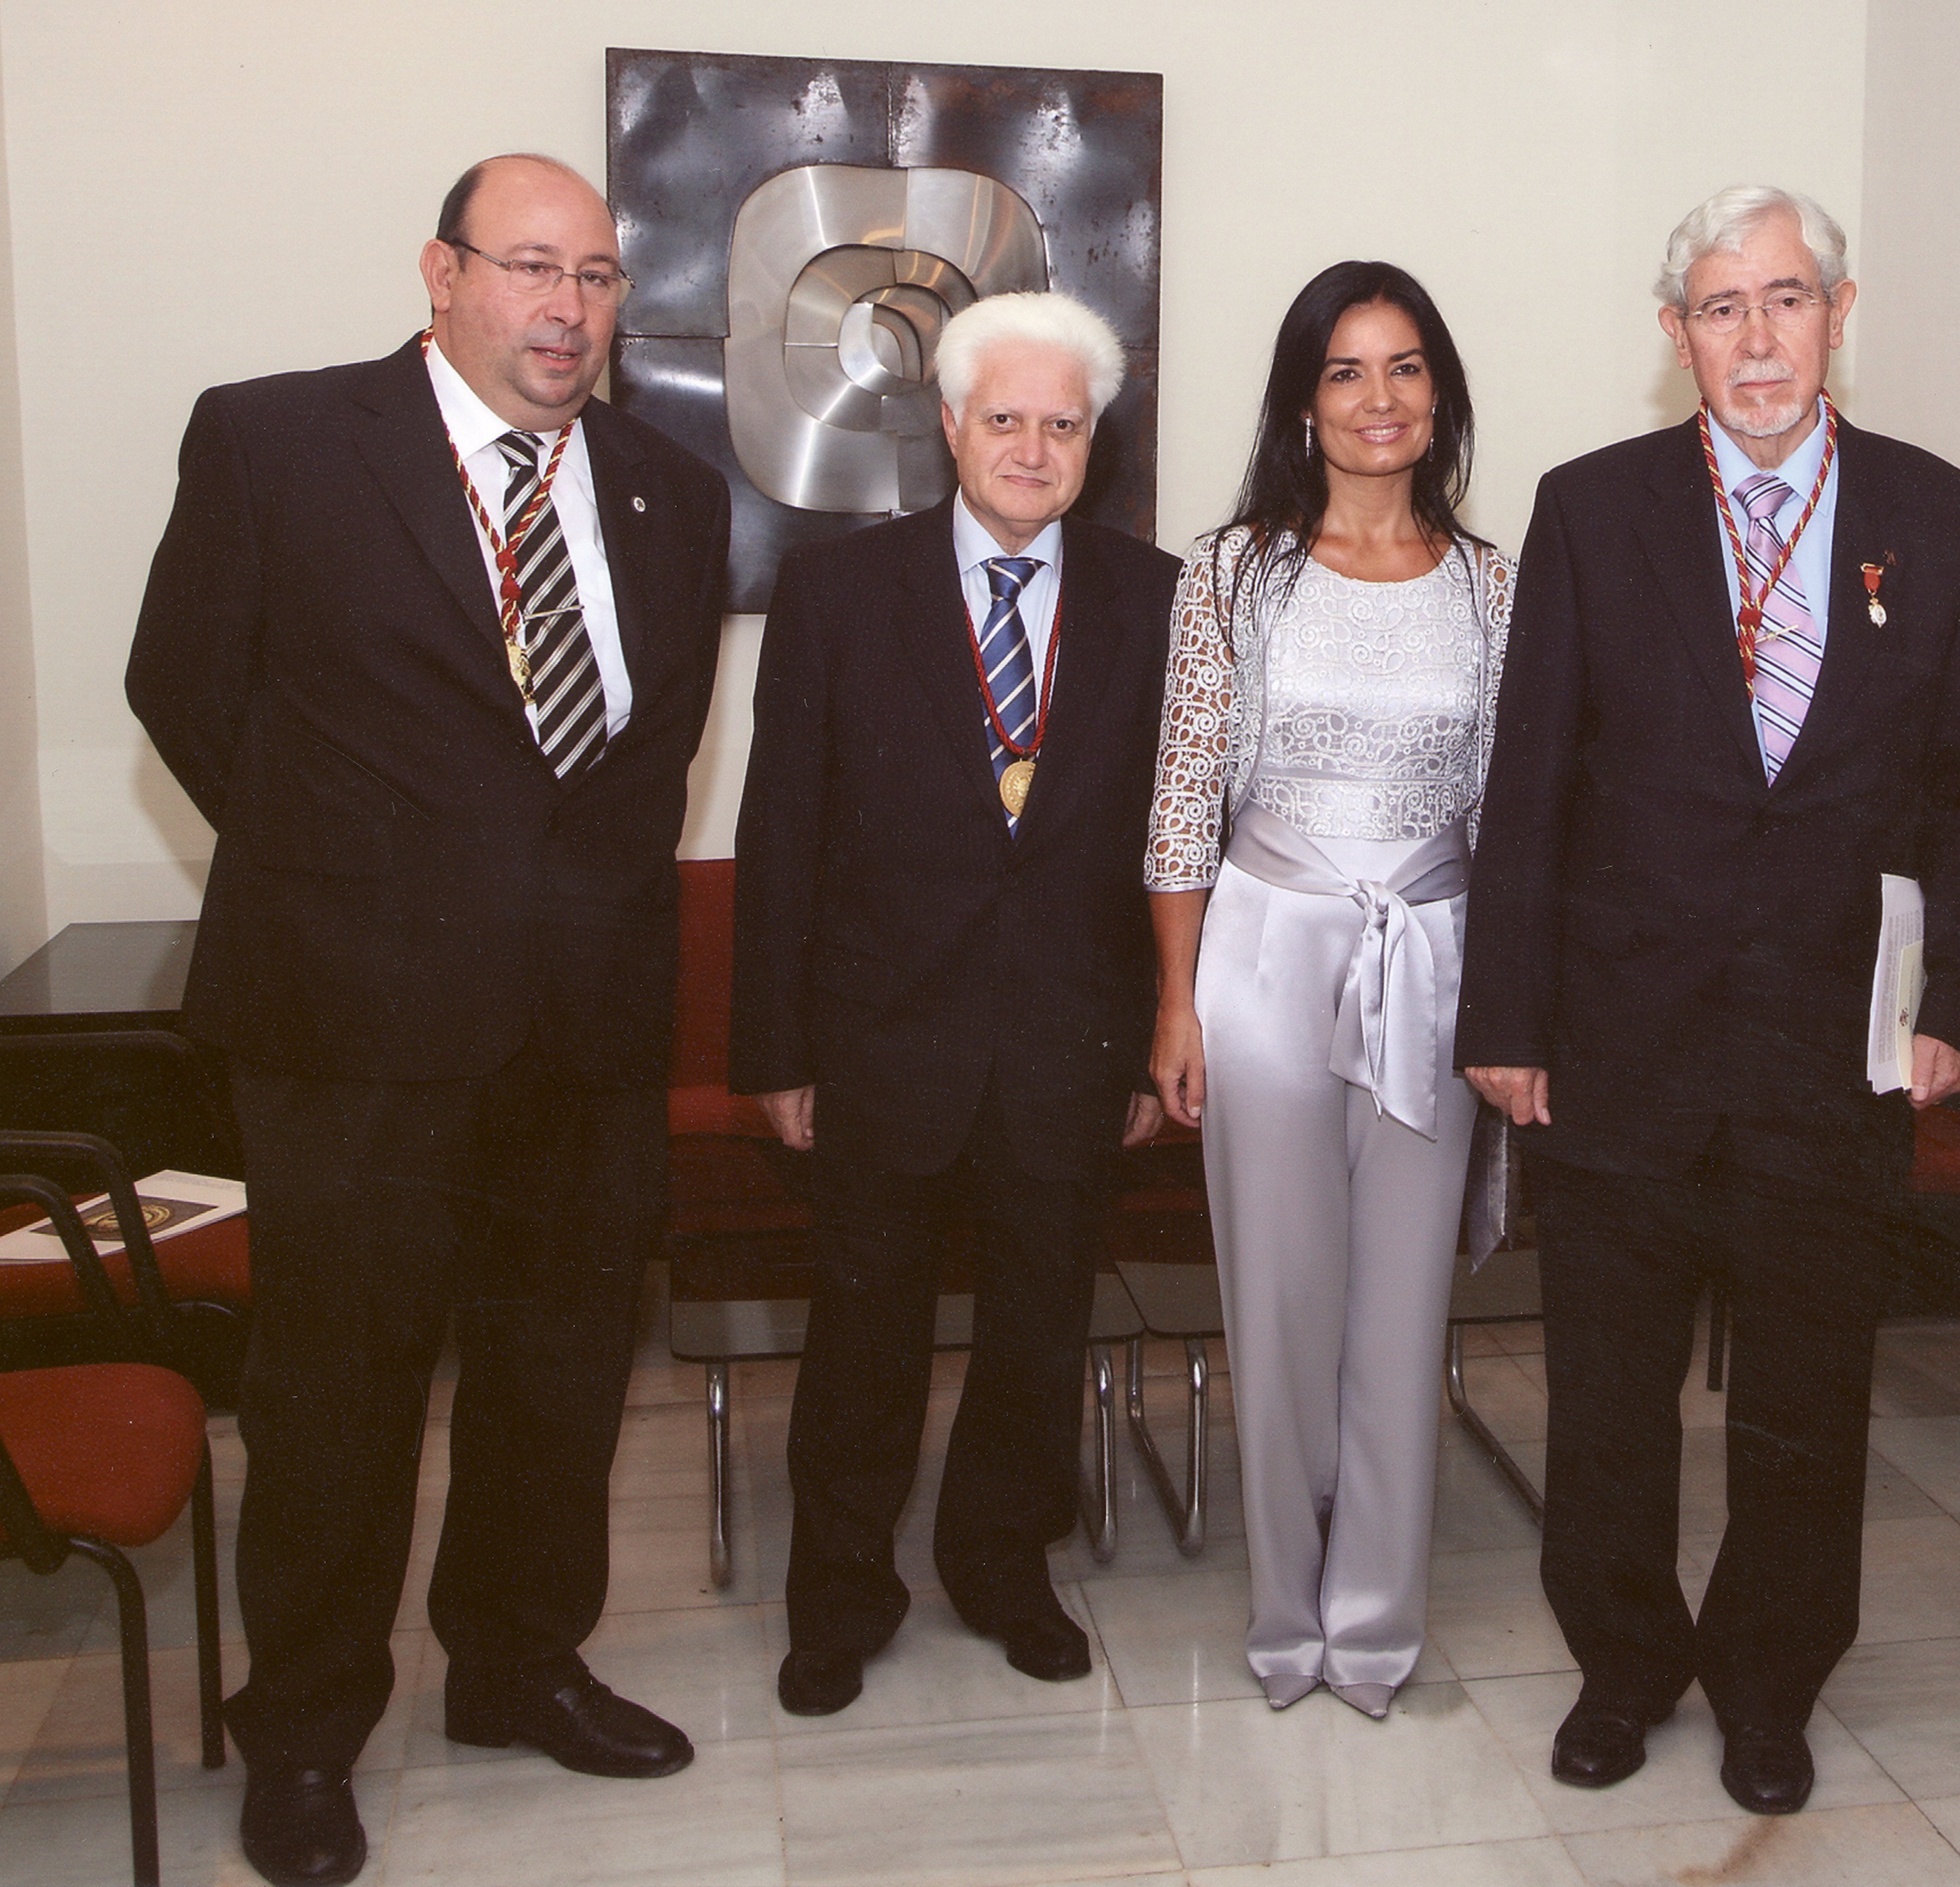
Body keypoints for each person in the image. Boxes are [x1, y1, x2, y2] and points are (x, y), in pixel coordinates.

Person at [126, 154, 730, 1886]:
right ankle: (306, 1732)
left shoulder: (671, 491)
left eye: (598, 277)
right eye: (532, 267)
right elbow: (182, 686)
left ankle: (517, 1665)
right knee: (339, 1396)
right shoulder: (279, 441)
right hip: (355, 1023)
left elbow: (648, 748)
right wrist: (357, 874)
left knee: (558, 1374)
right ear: (441, 273)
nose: (568, 308)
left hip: (584, 1026)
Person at [1455, 185, 1960, 1814]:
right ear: (1674, 333)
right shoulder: (1591, 508)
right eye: (1721, 307)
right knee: (1608, 1396)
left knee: (1805, 1399)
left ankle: (1770, 1685)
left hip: (1829, 1050)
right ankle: (1624, 1667)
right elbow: (1530, 784)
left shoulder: (1947, 518)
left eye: (1785, 299)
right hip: (1620, 1040)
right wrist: (1507, 1018)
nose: (1756, 338)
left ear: (1840, 311)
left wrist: (1958, 1003)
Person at [733, 290, 1179, 1719]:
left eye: (1063, 425)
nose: (1033, 450)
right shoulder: (838, 593)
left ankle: (1001, 1566)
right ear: (947, 424)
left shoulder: (1158, 601)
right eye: (1005, 420)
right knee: (862, 1341)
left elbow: (1169, 845)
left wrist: (1146, 1043)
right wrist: (776, 1051)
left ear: (1094, 441)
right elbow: (779, 833)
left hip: (1070, 1044)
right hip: (882, 1045)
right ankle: (839, 1595)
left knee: (1038, 1331)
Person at [1145, 261, 1511, 1718]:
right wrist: (1175, 1003)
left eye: (1406, 367)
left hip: (1434, 964)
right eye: (1347, 370)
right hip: (1264, 962)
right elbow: (1183, 798)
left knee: (1401, 1308)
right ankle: (1285, 1605)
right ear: (1305, 401)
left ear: (1441, 395)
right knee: (1283, 1299)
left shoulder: (1493, 583)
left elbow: (1508, 814)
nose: (1379, 398)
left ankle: (1374, 1621)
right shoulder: (1233, 570)